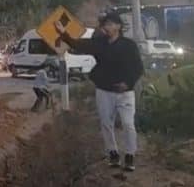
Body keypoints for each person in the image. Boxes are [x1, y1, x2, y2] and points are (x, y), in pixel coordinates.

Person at [55, 11, 144, 171]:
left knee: (128, 124)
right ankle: (113, 154)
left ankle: (130, 155)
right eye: (105, 25)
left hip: (125, 93)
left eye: (110, 24)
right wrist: (63, 33)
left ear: (118, 26)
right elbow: (79, 45)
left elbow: (138, 68)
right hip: (104, 91)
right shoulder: (100, 44)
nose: (107, 27)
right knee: (106, 124)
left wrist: (128, 83)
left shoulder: (129, 45)